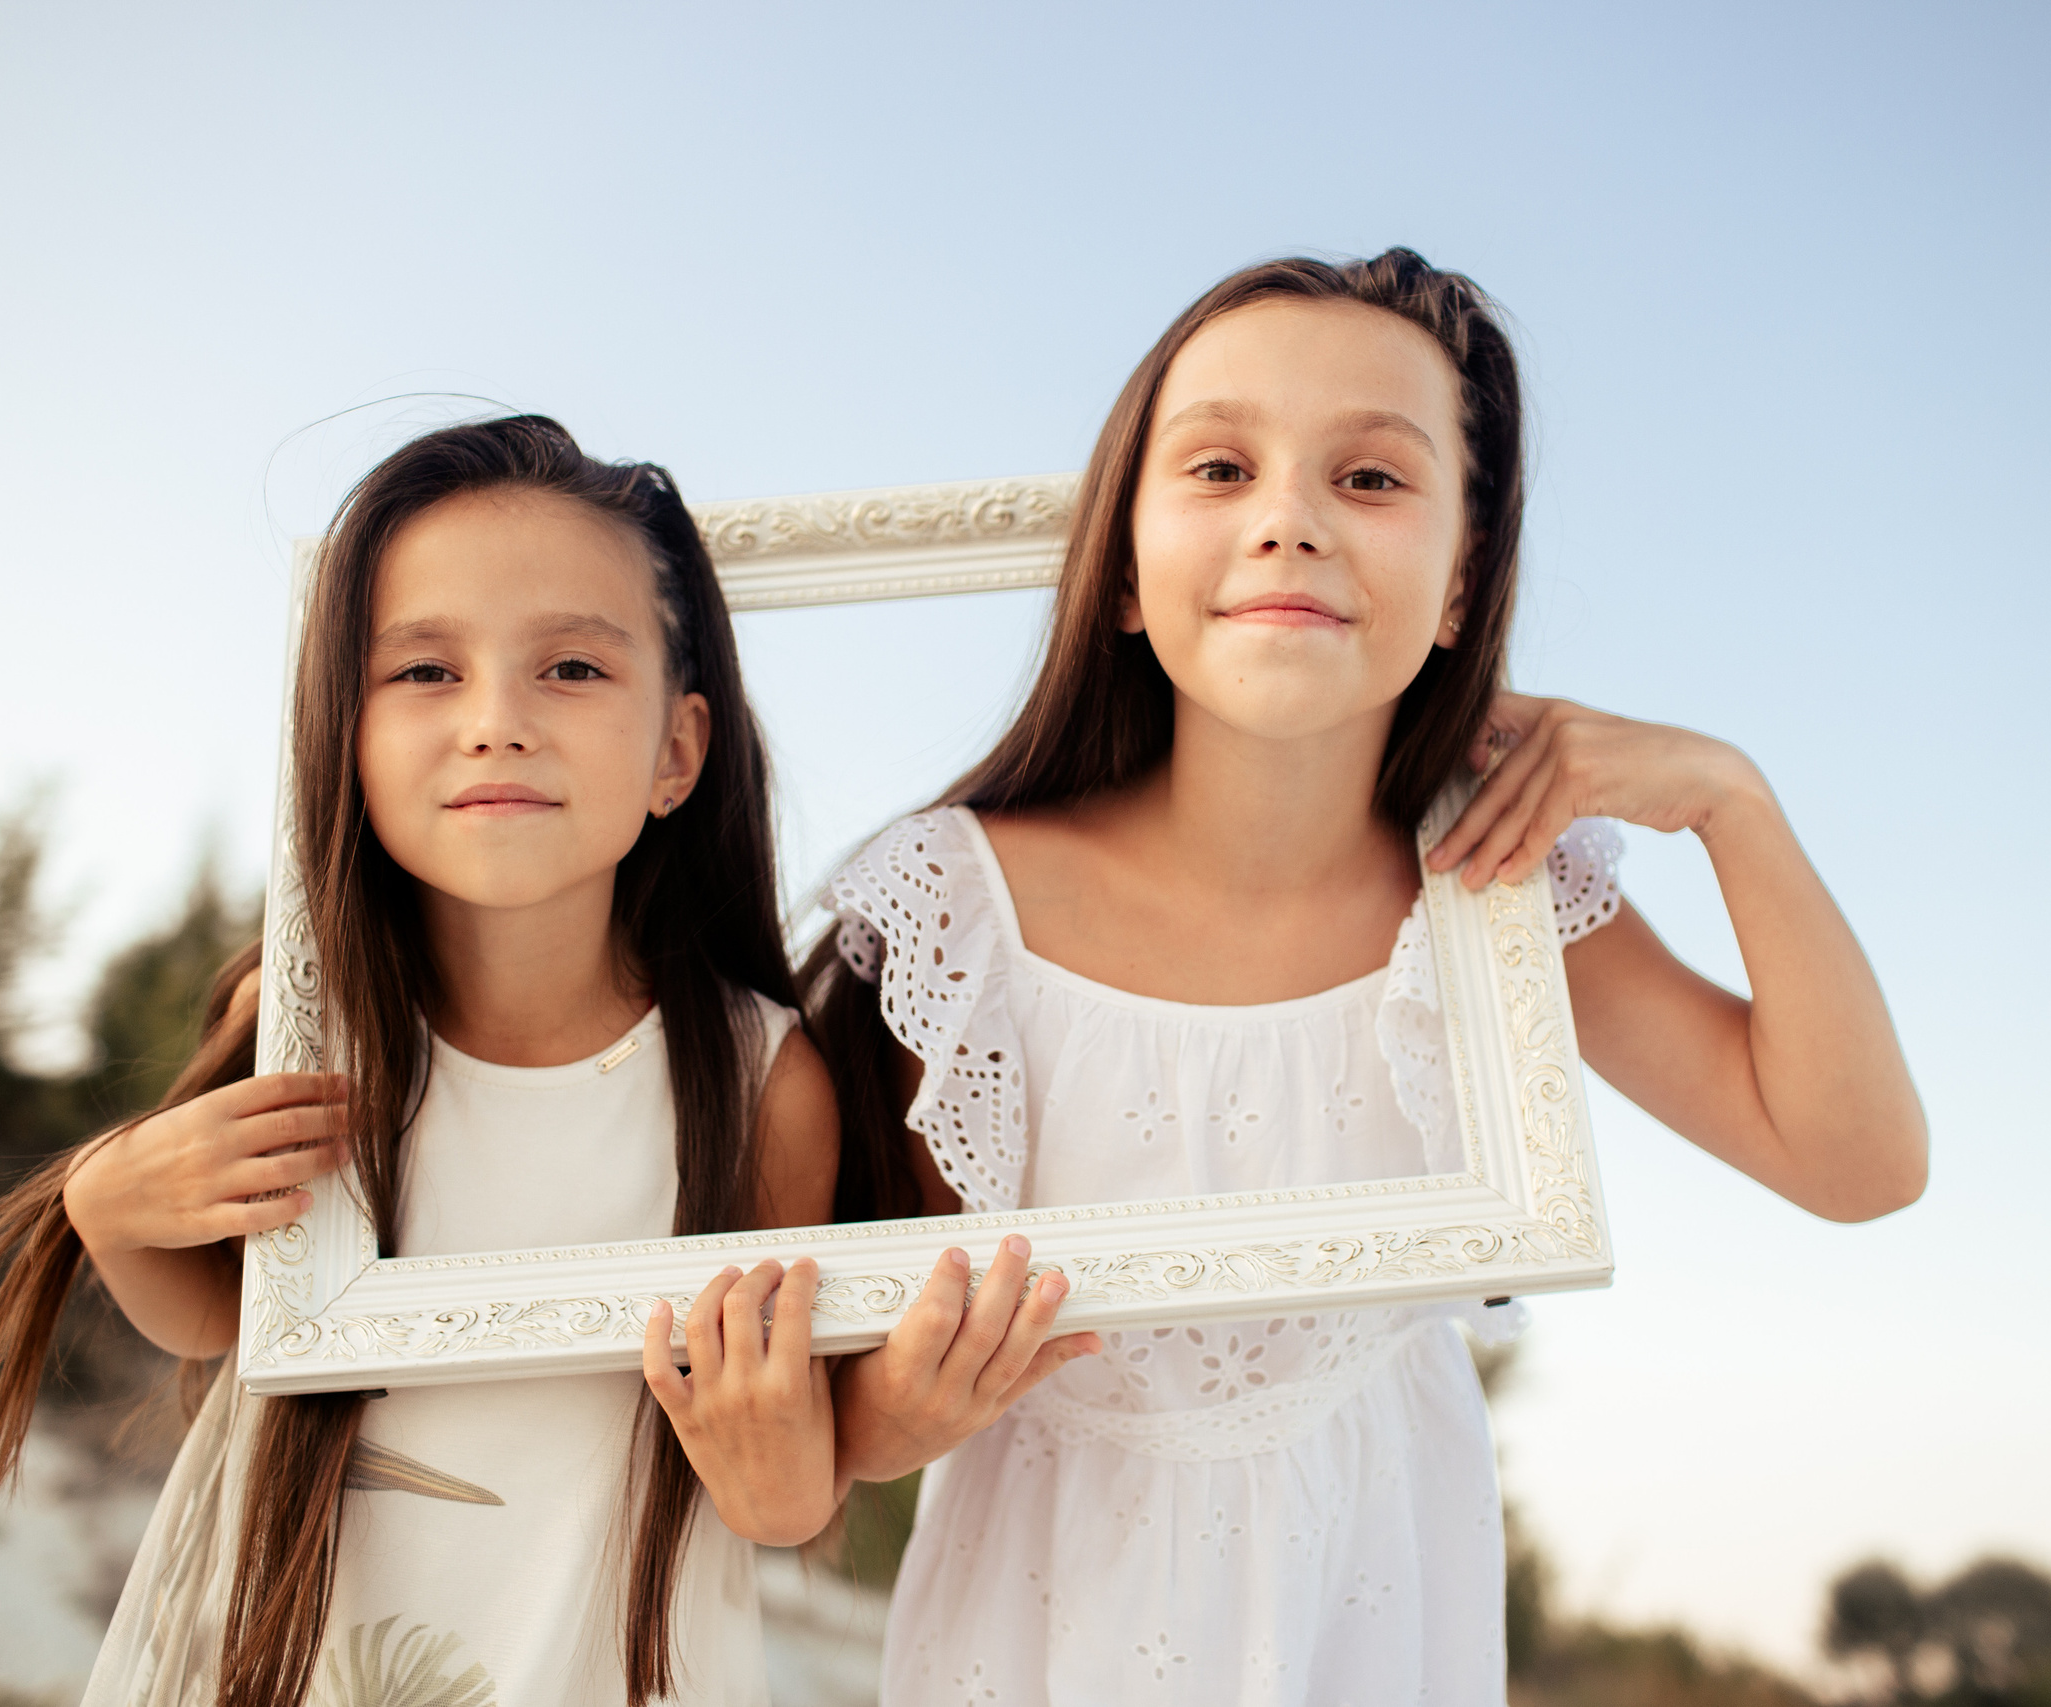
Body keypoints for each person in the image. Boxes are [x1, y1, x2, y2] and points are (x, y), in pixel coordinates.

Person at [811, 249, 1929, 1704]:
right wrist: (884, 1416)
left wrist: (1732, 799)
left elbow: (1857, 1162)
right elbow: (824, 1386)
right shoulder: (962, 904)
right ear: (1130, 573)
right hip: (1038, 1623)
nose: (1288, 523)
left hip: (1374, 1607)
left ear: (1461, 585)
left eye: (1373, 480)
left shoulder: (1494, 895)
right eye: (1219, 467)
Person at [0, 416, 853, 1705]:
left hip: (599, 1659)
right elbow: (229, 1317)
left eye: (574, 670)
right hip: (284, 1646)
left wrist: (779, 1482)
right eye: (424, 672)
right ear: (343, 735)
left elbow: (780, 1468)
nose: (496, 723)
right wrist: (112, 1205)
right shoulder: (307, 1014)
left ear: (677, 753)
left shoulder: (760, 1082)